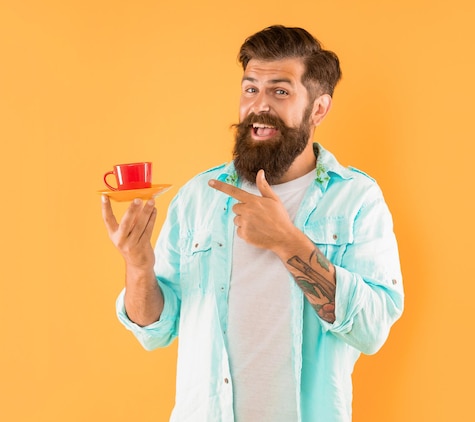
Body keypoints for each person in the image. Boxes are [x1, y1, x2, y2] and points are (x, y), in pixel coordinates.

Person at [101, 25, 404, 422]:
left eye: (280, 91)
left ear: (318, 108)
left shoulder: (356, 199)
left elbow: (371, 328)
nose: (259, 105)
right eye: (250, 89)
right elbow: (155, 329)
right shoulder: (198, 197)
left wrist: (288, 242)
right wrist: (138, 267)